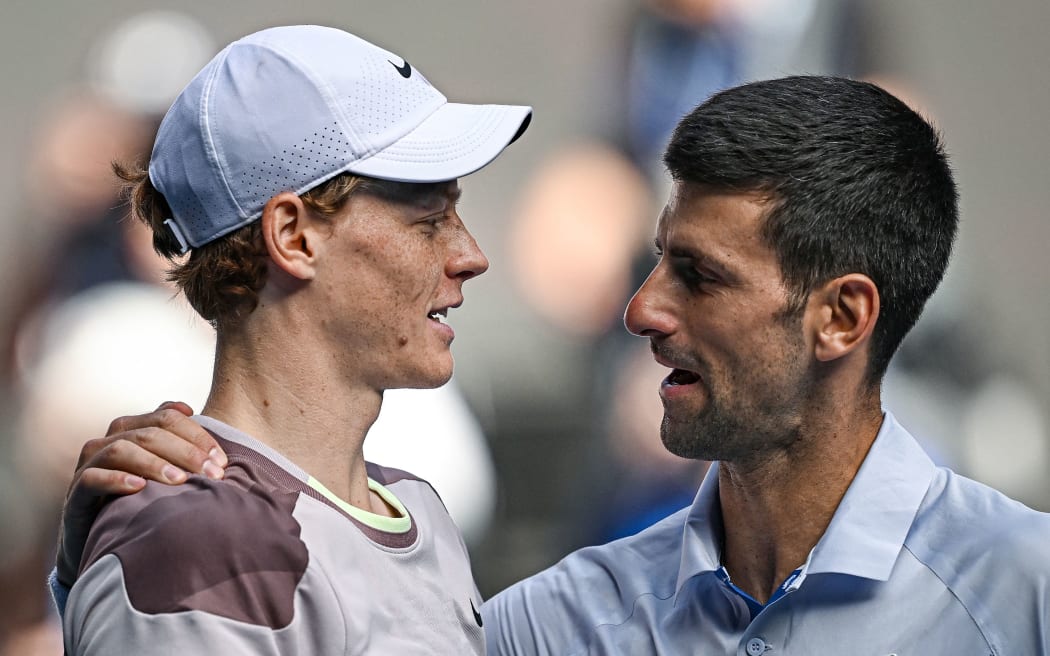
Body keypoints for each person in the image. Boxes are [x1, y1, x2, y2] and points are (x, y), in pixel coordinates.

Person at [55, 76, 1050, 653]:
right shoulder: (552, 620)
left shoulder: (1025, 592)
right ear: (288, 237)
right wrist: (109, 557)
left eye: (698, 275)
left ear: (843, 317)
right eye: (426, 213)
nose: (641, 308)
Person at [49, 24, 531, 655]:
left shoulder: (416, 506)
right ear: (294, 237)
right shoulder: (195, 545)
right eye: (430, 220)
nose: (471, 255)